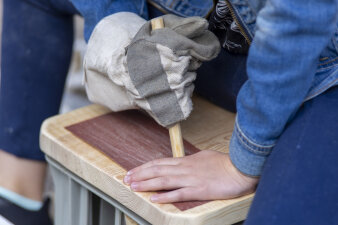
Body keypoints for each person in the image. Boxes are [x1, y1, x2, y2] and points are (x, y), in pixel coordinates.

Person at [0, 0, 337, 225]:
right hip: (195, 33)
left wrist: (241, 164)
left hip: (314, 69)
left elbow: (299, 21)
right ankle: (17, 203)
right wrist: (118, 23)